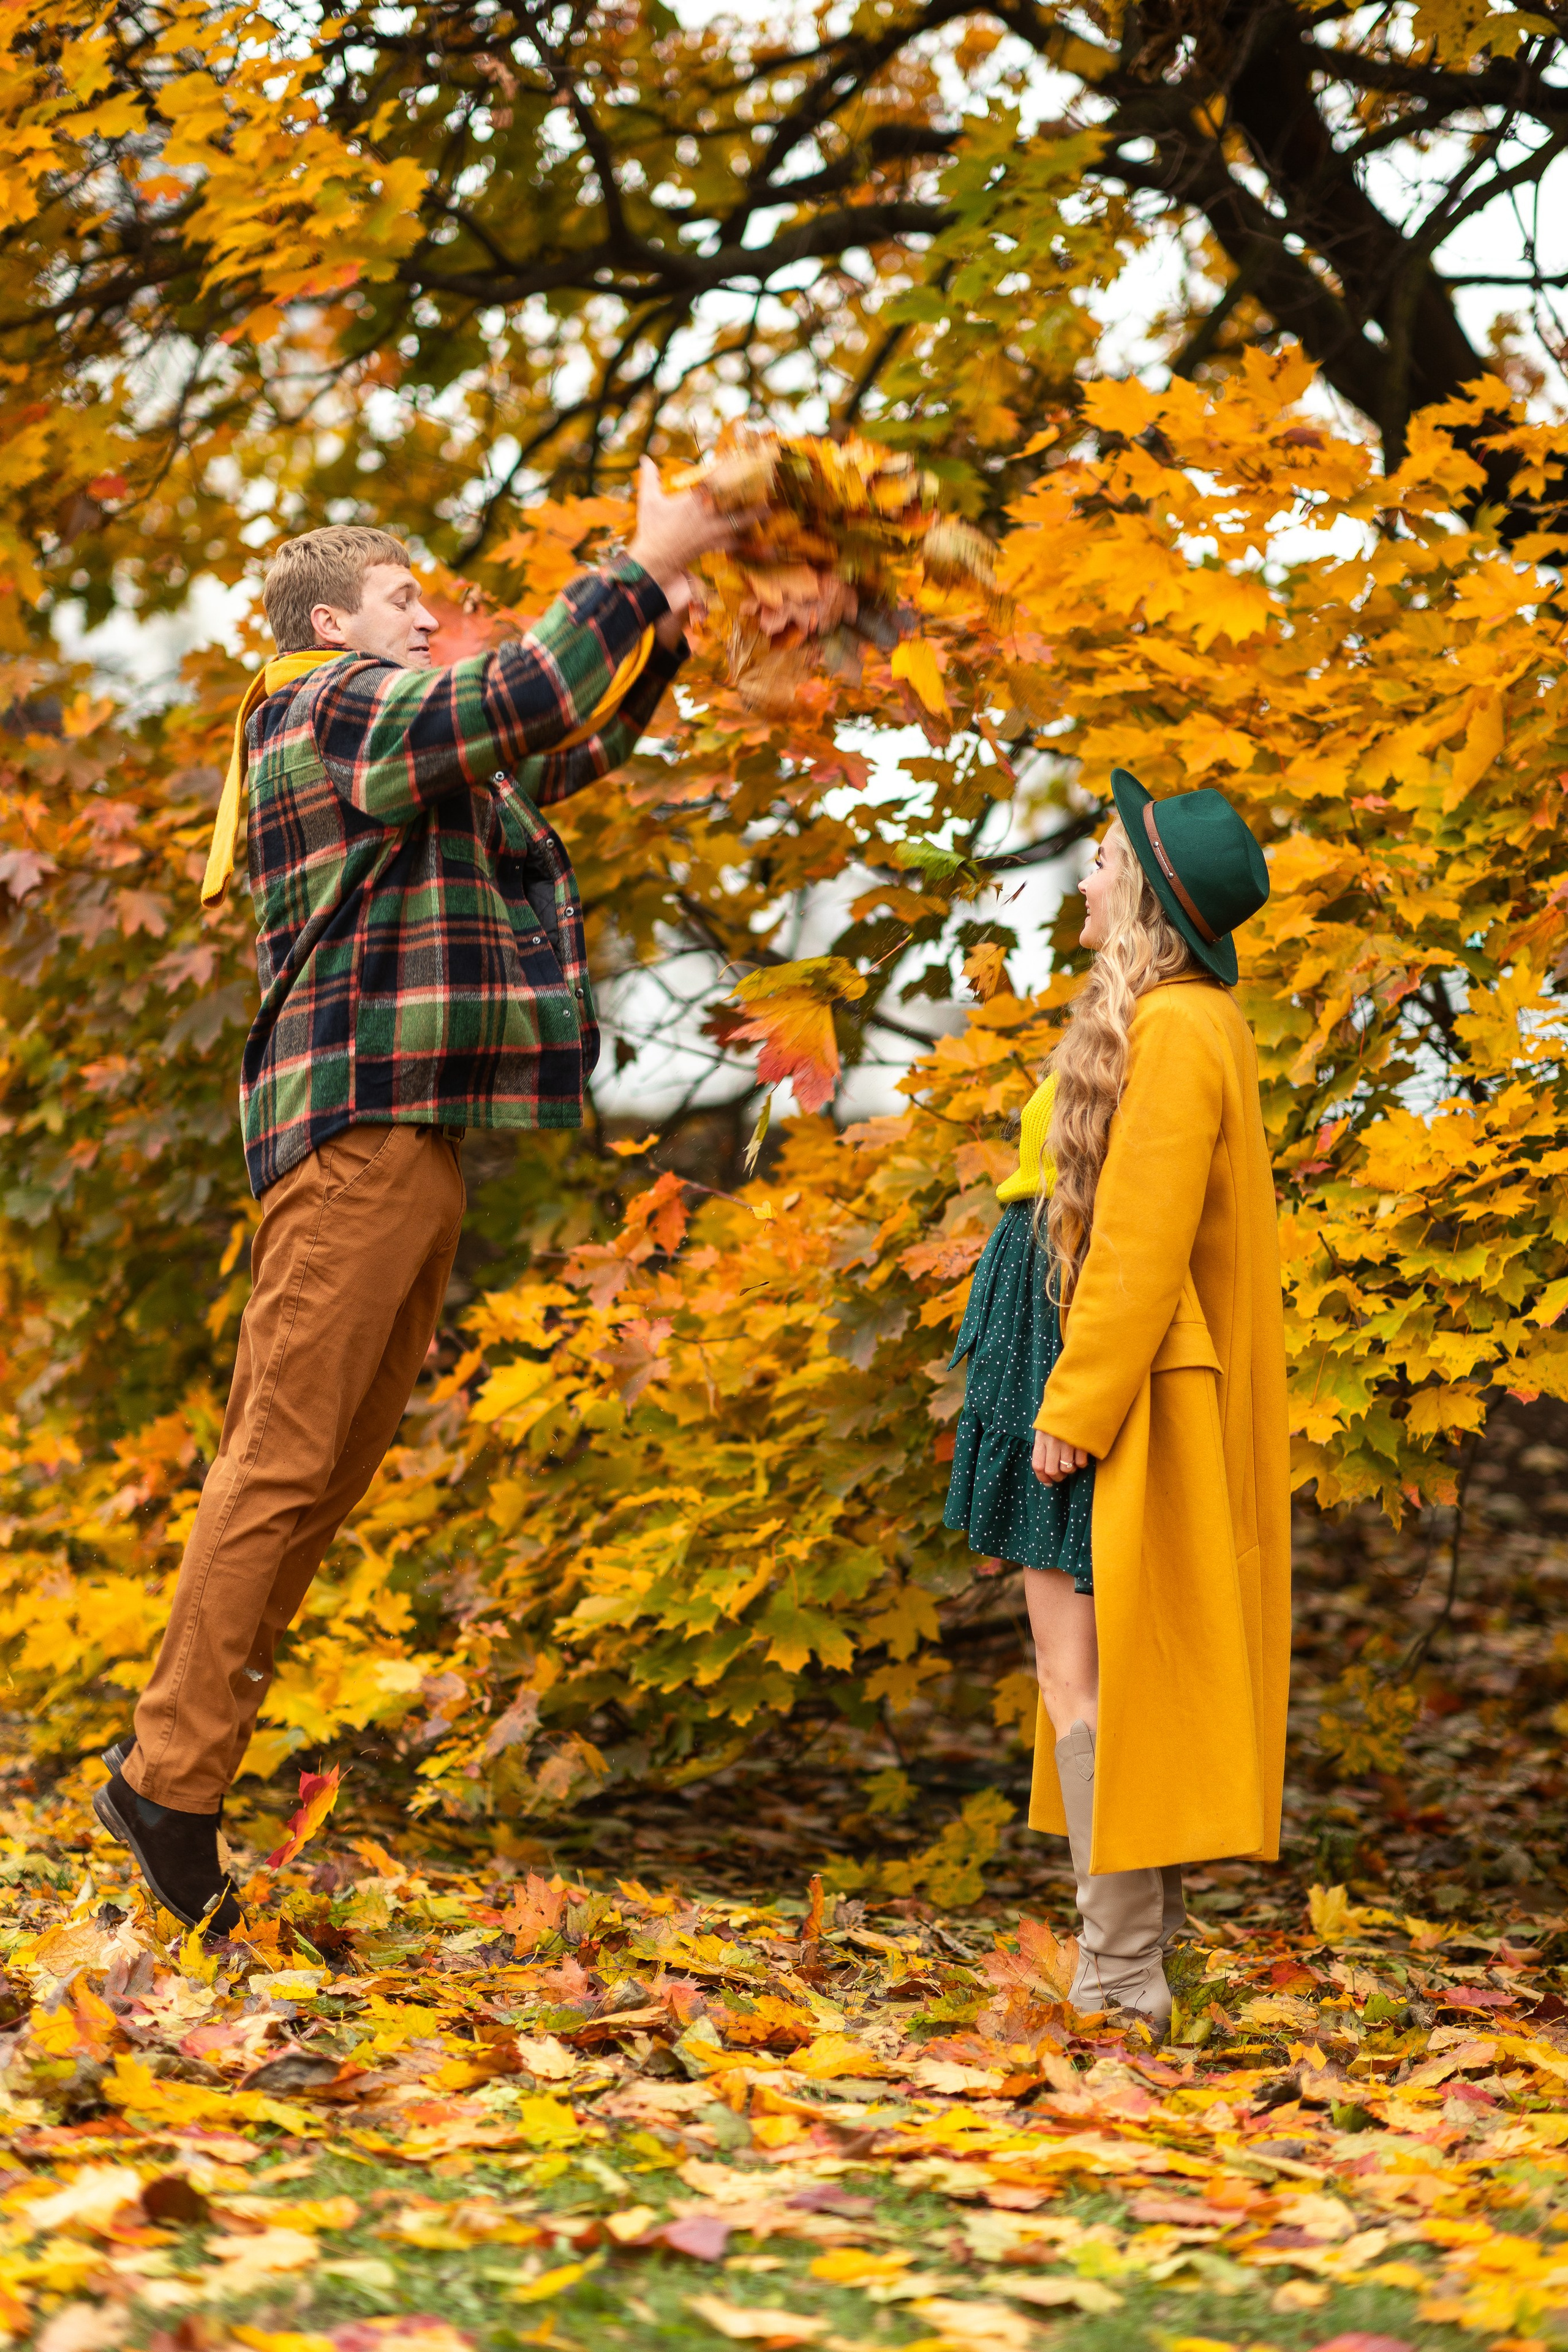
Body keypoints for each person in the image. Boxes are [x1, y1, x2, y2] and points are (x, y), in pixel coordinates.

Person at [96, 462, 741, 1934]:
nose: (431, 614)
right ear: (332, 619)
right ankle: (166, 1785)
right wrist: (633, 568)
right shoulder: (324, 702)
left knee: (318, 1475)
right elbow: (492, 705)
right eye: (407, 599)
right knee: (280, 1468)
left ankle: (173, 1773)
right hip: (358, 1137)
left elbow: (541, 758)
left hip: (407, 1144)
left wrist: (660, 645)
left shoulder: (391, 734)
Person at [945, 770, 1289, 2035]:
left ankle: (1121, 1972)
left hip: (1106, 1370)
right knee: (1082, 1667)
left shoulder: (1185, 1026)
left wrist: (1074, 1403)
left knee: (1083, 1669)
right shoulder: (1142, 1013)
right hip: (1069, 1346)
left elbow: (1139, 1238)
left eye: (1099, 862)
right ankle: (1127, 1956)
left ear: (1140, 890)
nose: (1083, 878)